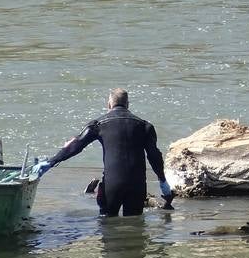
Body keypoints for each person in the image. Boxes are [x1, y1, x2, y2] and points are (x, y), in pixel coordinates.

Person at [34, 88, 174, 216]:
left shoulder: (98, 124)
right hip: (137, 185)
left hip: (112, 184)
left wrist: (51, 162)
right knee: (135, 225)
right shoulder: (145, 126)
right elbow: (154, 156)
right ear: (128, 104)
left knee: (108, 226)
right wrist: (162, 181)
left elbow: (76, 146)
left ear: (109, 104)